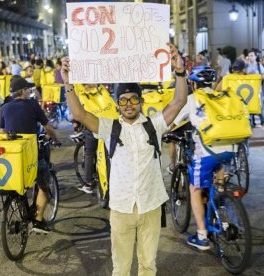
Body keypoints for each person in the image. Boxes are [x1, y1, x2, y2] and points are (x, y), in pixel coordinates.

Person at [61, 43, 187, 275]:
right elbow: (79, 114)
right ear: (117, 104)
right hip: (121, 208)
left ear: (141, 101)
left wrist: (179, 71)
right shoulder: (109, 127)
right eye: (123, 100)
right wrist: (67, 82)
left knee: (148, 265)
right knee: (120, 267)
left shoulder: (154, 124)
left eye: (133, 99)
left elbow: (179, 102)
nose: (128, 104)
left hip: (151, 205)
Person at [173, 67, 235, 250]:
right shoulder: (221, 96)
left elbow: (175, 120)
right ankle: (223, 215)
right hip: (230, 148)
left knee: (194, 189)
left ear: (193, 83)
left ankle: (201, 235)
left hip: (207, 152)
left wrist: (165, 133)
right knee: (218, 185)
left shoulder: (193, 99)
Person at [0, 77, 61, 233]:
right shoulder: (32, 105)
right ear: (23, 91)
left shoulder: (5, 108)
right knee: (43, 186)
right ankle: (38, 221)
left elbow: (1, 132)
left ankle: (16, 202)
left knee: (20, 184)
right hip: (31, 154)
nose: (30, 92)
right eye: (28, 90)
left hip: (12, 155)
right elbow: (47, 127)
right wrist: (56, 139)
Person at [245, 49, 264, 128]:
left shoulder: (259, 65)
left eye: (252, 55)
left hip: (257, 90)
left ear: (255, 56)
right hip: (247, 90)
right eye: (249, 56)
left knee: (258, 105)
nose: (250, 57)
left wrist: (256, 76)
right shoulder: (246, 66)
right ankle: (252, 122)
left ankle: (263, 121)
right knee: (249, 105)